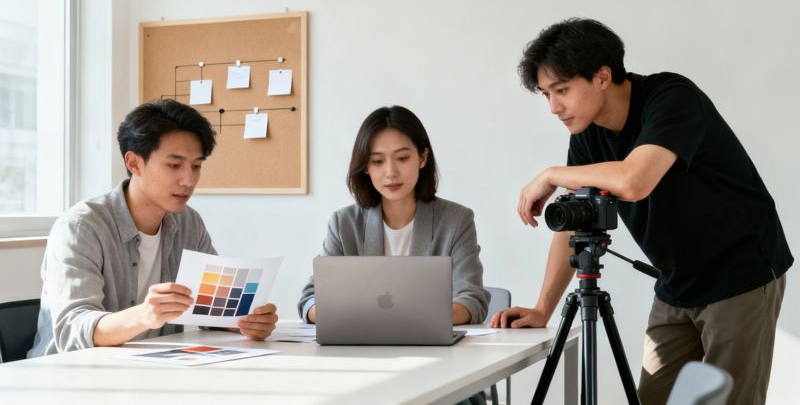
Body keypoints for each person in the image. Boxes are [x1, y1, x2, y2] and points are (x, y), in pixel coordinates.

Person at [490, 18, 793, 405]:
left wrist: (551, 175)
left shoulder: (671, 97)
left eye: (561, 90)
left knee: (729, 401)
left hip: (740, 273)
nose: (553, 107)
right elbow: (575, 221)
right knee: (653, 398)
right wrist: (542, 308)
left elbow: (635, 179)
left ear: (602, 76)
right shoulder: (586, 135)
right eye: (546, 94)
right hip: (675, 283)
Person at [29, 99, 278, 357]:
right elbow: (73, 329)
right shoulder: (80, 227)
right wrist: (144, 315)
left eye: (196, 166)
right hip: (70, 376)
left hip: (151, 367)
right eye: (174, 165)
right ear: (134, 163)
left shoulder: (189, 223)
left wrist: (244, 322)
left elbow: (212, 311)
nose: (189, 180)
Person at [298, 105, 490, 326]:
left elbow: (472, 300)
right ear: (366, 167)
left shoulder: (456, 220)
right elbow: (311, 298)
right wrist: (344, 317)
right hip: (360, 346)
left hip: (431, 347)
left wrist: (405, 321)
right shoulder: (344, 224)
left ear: (422, 157)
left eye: (402, 158)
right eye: (378, 161)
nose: (391, 172)